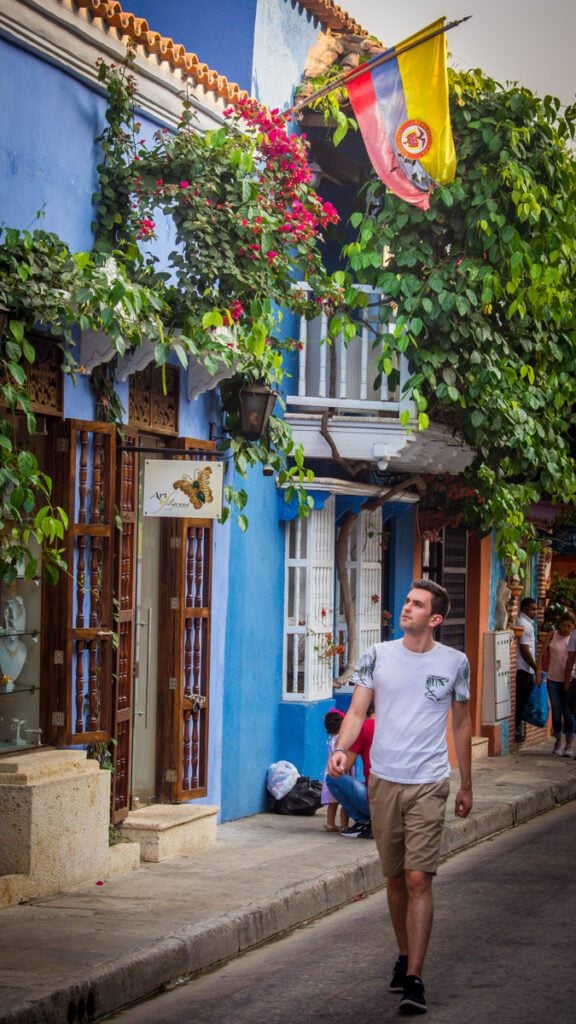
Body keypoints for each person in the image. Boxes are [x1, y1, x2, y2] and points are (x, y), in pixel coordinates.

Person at [328, 579, 472, 1015]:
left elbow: (461, 724)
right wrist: (342, 750)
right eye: (407, 601)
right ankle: (403, 953)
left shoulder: (455, 663)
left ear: (435, 619)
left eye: (417, 604)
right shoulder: (378, 655)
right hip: (384, 781)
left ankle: (415, 978)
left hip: (429, 782)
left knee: (416, 879)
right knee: (393, 879)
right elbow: (357, 711)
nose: (407, 608)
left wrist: (466, 783)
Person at [325, 704, 375, 839]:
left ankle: (365, 822)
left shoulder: (364, 728)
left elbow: (346, 765)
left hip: (376, 800)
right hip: (400, 797)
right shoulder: (393, 726)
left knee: (332, 777)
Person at [540, 612, 576, 756]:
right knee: (556, 710)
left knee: (568, 712)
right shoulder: (552, 635)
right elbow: (542, 654)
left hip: (570, 679)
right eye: (564, 625)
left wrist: (569, 681)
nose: (566, 629)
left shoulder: (573, 638)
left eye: (569, 626)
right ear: (559, 624)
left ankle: (569, 743)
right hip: (553, 679)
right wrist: (539, 672)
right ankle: (558, 740)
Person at [321, 709, 351, 832]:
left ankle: (330, 824)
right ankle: (344, 826)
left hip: (330, 771)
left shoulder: (331, 739)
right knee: (346, 802)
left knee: (332, 803)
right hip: (342, 772)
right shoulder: (343, 742)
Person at [515, 596, 538, 744]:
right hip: (523, 669)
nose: (534, 612)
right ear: (524, 609)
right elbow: (525, 649)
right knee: (521, 701)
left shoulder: (527, 623)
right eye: (532, 609)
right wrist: (535, 667)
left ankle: (519, 728)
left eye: (535, 609)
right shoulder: (524, 624)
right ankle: (517, 729)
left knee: (524, 701)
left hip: (527, 669)